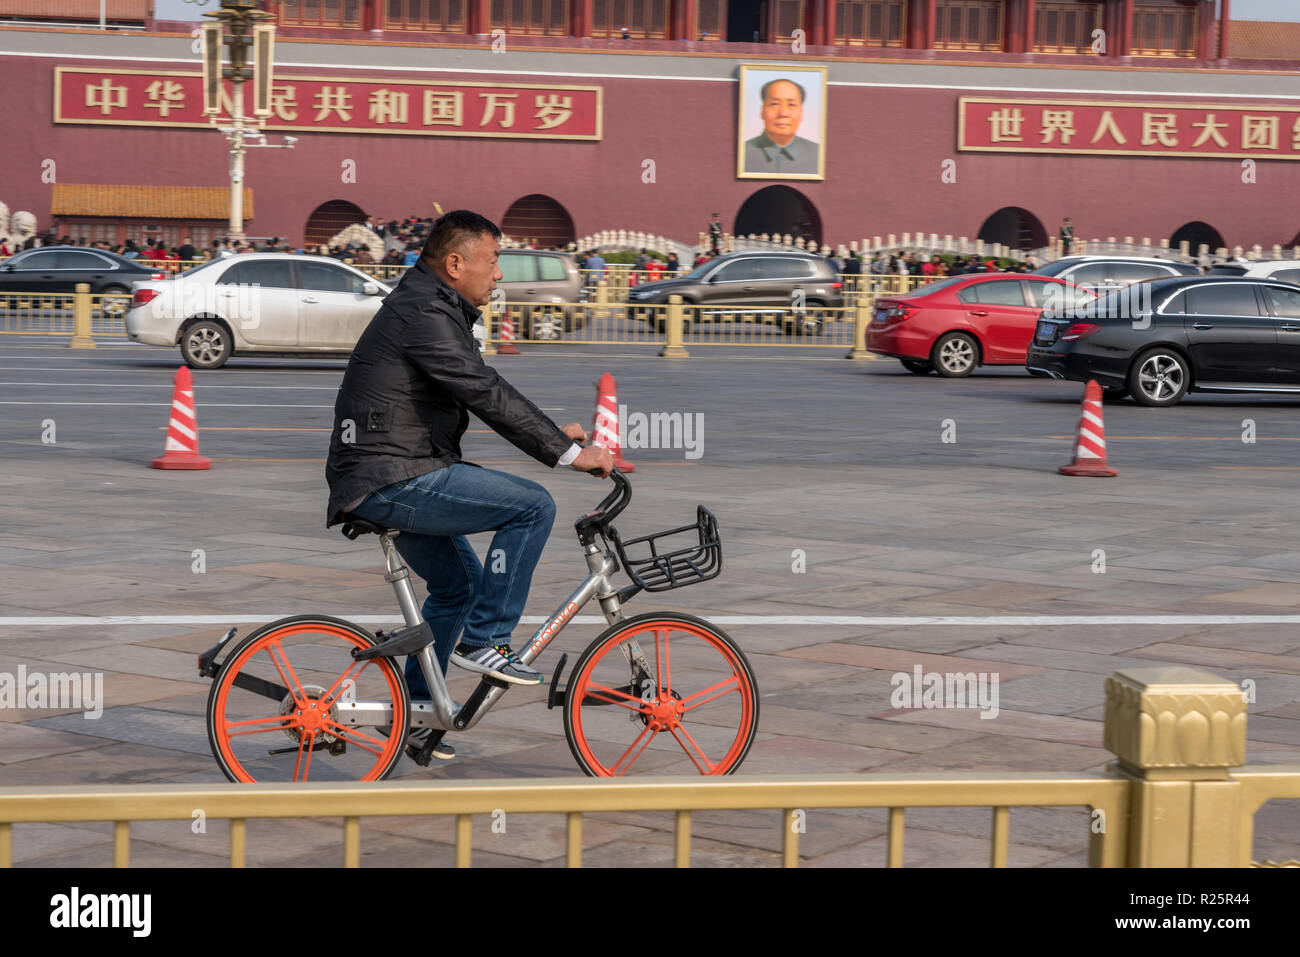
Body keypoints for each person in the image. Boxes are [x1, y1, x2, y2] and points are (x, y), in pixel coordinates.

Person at [325, 211, 613, 759]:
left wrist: (552, 434)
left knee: (457, 586)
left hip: (391, 469)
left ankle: (411, 712)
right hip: (391, 475)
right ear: (455, 264)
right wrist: (568, 454)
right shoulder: (423, 313)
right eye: (494, 259)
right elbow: (483, 389)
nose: (499, 273)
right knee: (532, 507)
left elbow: (479, 392)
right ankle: (486, 641)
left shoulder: (432, 306)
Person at [742, 78, 821, 175]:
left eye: (791, 104)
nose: (783, 113)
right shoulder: (742, 153)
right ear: (762, 111)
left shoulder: (819, 154)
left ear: (801, 113)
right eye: (775, 104)